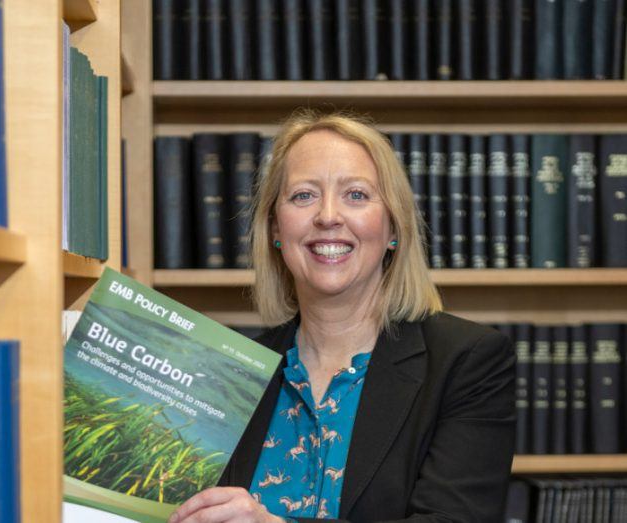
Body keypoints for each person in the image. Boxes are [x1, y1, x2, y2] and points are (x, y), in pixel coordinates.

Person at [168, 111, 515, 523]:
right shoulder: (228, 374)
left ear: (393, 228)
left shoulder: (468, 362)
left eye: (356, 195)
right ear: (275, 228)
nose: (328, 216)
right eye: (303, 195)